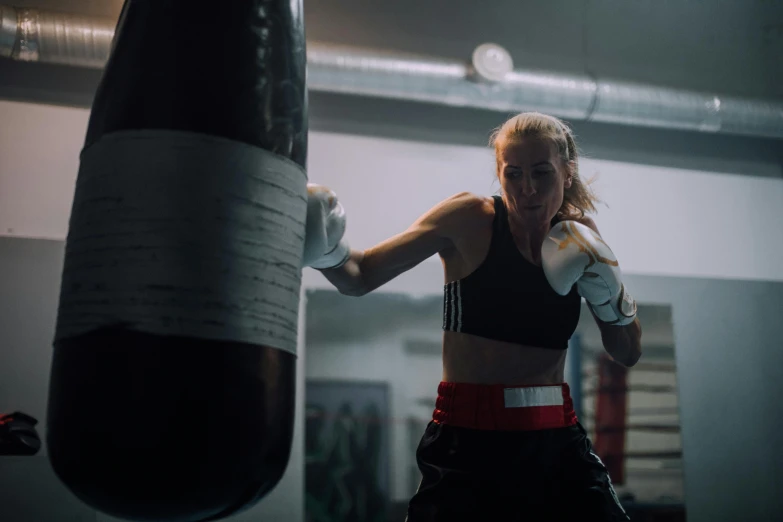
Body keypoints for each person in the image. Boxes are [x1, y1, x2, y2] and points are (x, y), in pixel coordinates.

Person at [302, 111, 642, 521]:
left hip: (555, 438)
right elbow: (358, 276)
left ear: (567, 173)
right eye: (513, 174)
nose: (527, 189)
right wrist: (325, 249)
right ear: (499, 174)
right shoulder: (469, 219)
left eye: (541, 172)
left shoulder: (579, 234)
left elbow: (627, 353)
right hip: (469, 443)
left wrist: (612, 290)